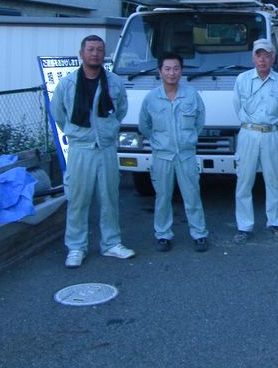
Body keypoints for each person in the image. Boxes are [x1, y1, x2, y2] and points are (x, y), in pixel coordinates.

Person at [50, 35, 135, 268]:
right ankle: (76, 247)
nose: (95, 54)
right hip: (80, 149)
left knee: (110, 198)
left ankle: (111, 243)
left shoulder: (114, 82)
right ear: (81, 53)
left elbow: (120, 110)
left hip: (106, 148)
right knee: (78, 200)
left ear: (104, 54)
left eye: (99, 50)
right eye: (90, 49)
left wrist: (108, 129)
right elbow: (58, 114)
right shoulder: (68, 84)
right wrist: (76, 133)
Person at [139, 52, 209, 253]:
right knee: (162, 198)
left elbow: (199, 122)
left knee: (192, 196)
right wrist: (159, 142)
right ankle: (163, 235)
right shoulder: (151, 98)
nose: (172, 73)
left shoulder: (191, 95)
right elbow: (145, 126)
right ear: (160, 71)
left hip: (186, 155)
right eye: (167, 69)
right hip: (162, 156)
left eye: (176, 69)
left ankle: (199, 234)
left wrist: (188, 140)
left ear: (181, 71)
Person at [232, 39, 278, 244]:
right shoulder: (242, 79)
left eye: (267, 55)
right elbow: (237, 106)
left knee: (274, 182)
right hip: (248, 133)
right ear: (253, 58)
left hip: (272, 134)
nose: (262, 59)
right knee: (244, 182)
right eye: (258, 55)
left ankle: (275, 224)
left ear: (273, 58)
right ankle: (244, 226)